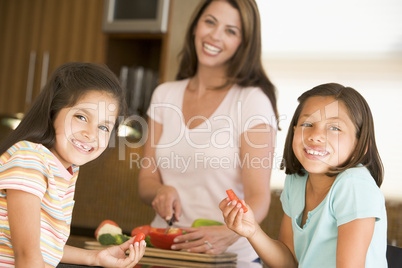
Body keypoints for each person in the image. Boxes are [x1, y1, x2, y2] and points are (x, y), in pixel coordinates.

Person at [138, 0, 279, 266]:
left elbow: (259, 197)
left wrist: (229, 233)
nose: (215, 35)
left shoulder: (252, 101)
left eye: (231, 31)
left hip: (227, 258)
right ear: (195, 26)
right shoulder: (164, 94)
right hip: (165, 252)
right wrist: (161, 190)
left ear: (243, 43)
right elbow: (146, 178)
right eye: (210, 22)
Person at [220, 83, 387, 267]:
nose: (315, 135)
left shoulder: (354, 185)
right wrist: (252, 231)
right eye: (307, 124)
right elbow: (289, 262)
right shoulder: (297, 180)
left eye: (334, 128)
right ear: (293, 131)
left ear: (360, 144)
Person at [0, 62, 146, 267]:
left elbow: (43, 247)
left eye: (103, 127)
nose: (91, 133)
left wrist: (94, 257)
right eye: (81, 116)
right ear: (53, 112)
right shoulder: (30, 159)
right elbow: (27, 255)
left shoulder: (65, 171)